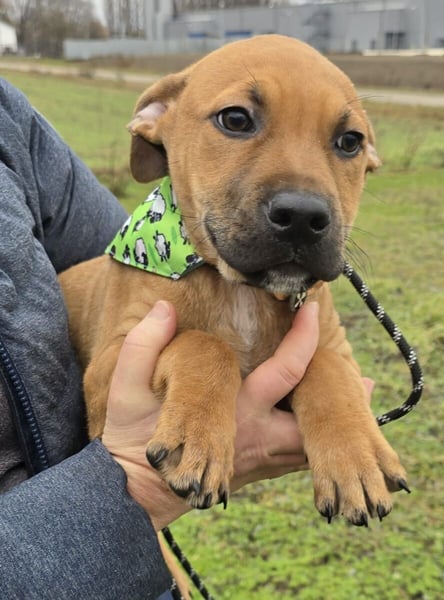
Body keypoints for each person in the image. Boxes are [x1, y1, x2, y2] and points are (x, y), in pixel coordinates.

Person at [0, 77, 321, 599]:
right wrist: (130, 492)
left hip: (131, 563)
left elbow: (130, 259)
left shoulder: (5, 116)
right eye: (236, 120)